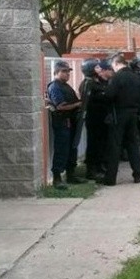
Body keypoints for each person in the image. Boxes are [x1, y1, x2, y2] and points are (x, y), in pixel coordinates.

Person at [100, 54, 140, 186]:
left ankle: (110, 178)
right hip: (133, 113)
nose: (112, 68)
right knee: (133, 144)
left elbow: (109, 95)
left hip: (118, 113)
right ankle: (138, 174)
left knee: (115, 145)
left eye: (113, 66)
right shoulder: (135, 76)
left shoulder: (117, 77)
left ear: (116, 63)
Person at [47, 60, 85, 189]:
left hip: (71, 122)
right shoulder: (55, 87)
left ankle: (71, 175)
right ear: (56, 72)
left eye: (68, 71)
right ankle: (57, 178)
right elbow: (60, 106)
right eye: (64, 71)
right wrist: (77, 104)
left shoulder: (66, 86)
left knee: (72, 149)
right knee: (61, 150)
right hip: (62, 122)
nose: (67, 74)